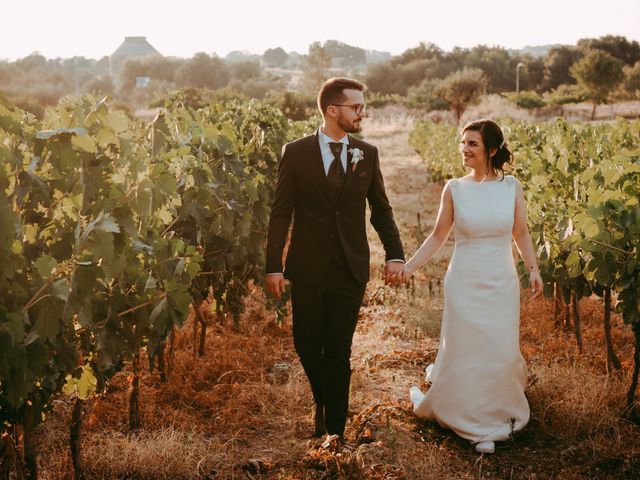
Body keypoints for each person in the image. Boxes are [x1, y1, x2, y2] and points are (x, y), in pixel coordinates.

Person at [265, 78, 405, 445]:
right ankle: (323, 400)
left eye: (362, 107)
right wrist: (273, 265)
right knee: (308, 346)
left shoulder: (367, 153)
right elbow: (281, 213)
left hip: (350, 268)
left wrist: (395, 254)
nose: (362, 113)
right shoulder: (295, 153)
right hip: (307, 267)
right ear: (332, 110)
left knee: (338, 351)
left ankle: (334, 433)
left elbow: (381, 210)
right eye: (355, 107)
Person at [401, 119, 543, 454]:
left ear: (491, 150)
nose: (464, 149)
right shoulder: (455, 188)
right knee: (465, 345)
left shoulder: (511, 188)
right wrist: (409, 267)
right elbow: (438, 236)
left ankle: (496, 412)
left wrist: (533, 270)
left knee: (498, 344)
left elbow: (520, 233)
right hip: (464, 279)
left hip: (501, 279)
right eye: (462, 143)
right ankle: (469, 418)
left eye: (472, 144)